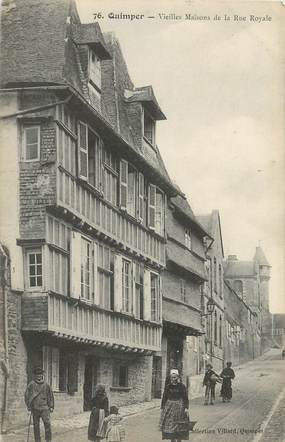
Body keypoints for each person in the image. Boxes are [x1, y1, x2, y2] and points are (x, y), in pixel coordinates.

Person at [24, 367, 54, 442]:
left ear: (42, 375)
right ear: (35, 375)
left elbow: (50, 395)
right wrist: (29, 405)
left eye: (40, 374)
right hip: (35, 408)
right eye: (37, 375)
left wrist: (51, 406)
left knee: (47, 424)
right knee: (36, 426)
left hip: (45, 408)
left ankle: (48, 439)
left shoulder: (46, 385)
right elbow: (26, 395)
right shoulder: (31, 384)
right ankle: (37, 440)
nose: (39, 376)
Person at [159, 369, 189, 442]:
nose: (173, 379)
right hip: (169, 407)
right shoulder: (168, 386)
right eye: (172, 377)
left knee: (179, 424)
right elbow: (164, 397)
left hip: (179, 407)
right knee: (170, 424)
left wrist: (186, 407)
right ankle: (172, 439)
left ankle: (179, 439)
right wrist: (162, 407)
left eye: (175, 377)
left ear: (178, 377)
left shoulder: (182, 386)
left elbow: (185, 397)